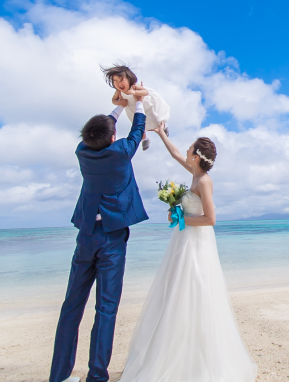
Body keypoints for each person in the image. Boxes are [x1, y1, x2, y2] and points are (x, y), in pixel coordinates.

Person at [119, 122, 257, 382]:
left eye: (190, 147)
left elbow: (210, 219)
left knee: (192, 289)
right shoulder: (193, 172)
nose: (186, 149)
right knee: (174, 291)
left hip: (196, 243)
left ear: (196, 156)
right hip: (182, 241)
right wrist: (160, 133)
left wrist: (181, 218)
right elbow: (174, 154)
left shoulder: (204, 181)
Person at [49, 85, 149, 382]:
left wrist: (117, 107)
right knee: (106, 308)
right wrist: (138, 104)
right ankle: (96, 377)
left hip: (85, 236)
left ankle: (59, 376)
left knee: (71, 306)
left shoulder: (82, 152)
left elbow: (103, 133)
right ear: (112, 138)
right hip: (112, 237)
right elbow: (137, 132)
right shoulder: (119, 153)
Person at [102, 64, 170, 151]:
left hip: (145, 106)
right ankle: (145, 139)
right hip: (132, 110)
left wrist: (134, 92)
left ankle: (164, 126)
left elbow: (145, 92)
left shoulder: (133, 86)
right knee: (138, 126)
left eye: (121, 80)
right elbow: (113, 100)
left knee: (156, 118)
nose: (119, 84)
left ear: (129, 79)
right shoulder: (118, 91)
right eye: (115, 81)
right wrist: (120, 102)